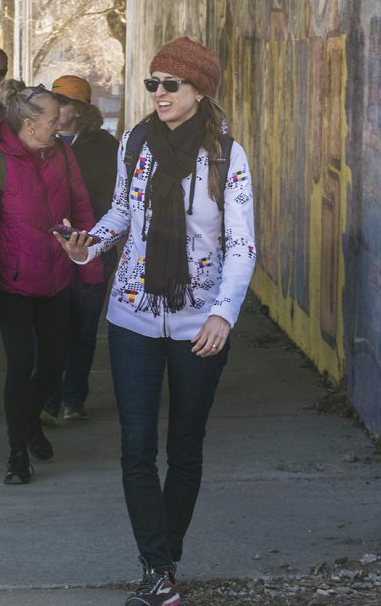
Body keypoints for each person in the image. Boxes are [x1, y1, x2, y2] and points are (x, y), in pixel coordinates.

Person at [57, 37, 256, 606]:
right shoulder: (134, 144)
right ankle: (157, 568)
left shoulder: (225, 156)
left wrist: (223, 314)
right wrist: (88, 246)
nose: (160, 94)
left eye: (172, 84)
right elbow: (121, 211)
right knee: (136, 447)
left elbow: (241, 245)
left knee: (184, 448)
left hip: (200, 324)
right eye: (153, 83)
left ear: (200, 91)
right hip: (133, 318)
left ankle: (165, 560)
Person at [0, 79, 102, 484]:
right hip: (12, 284)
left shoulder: (63, 155)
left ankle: (30, 419)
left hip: (55, 278)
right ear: (29, 123)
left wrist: (87, 264)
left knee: (54, 363)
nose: (58, 126)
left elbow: (82, 207)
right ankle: (17, 453)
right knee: (20, 365)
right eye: (52, 120)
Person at [41, 75, 119, 424]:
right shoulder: (42, 142)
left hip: (90, 251)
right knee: (51, 327)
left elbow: (116, 203)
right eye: (53, 100)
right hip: (50, 253)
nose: (57, 108)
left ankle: (73, 397)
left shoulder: (103, 146)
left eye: (64, 102)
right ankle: (49, 398)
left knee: (84, 328)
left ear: (81, 110)